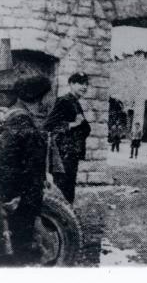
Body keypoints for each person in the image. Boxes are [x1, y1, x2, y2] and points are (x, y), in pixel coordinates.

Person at [0, 75, 51, 266]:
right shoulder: (22, 123)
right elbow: (6, 162)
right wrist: (12, 196)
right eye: (45, 97)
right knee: (21, 253)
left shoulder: (16, 118)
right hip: (21, 204)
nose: (47, 103)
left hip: (21, 199)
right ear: (37, 98)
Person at [44, 72, 91, 204]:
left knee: (69, 187)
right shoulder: (64, 101)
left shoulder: (75, 102)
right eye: (80, 83)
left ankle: (67, 216)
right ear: (71, 84)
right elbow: (48, 125)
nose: (84, 87)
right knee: (63, 187)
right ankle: (61, 218)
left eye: (86, 84)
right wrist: (71, 124)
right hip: (63, 154)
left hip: (71, 152)